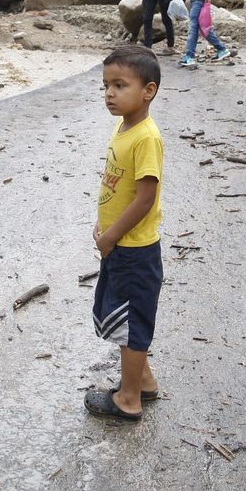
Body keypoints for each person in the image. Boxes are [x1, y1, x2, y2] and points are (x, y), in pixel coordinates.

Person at [84, 45, 166, 422]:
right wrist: (106, 224)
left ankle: (128, 398)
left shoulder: (146, 137)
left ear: (147, 91)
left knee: (132, 324)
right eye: (105, 86)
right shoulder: (124, 126)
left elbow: (146, 198)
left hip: (133, 249)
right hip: (120, 243)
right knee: (124, 315)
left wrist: (112, 234)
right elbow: (119, 185)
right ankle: (144, 381)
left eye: (120, 85)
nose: (109, 94)